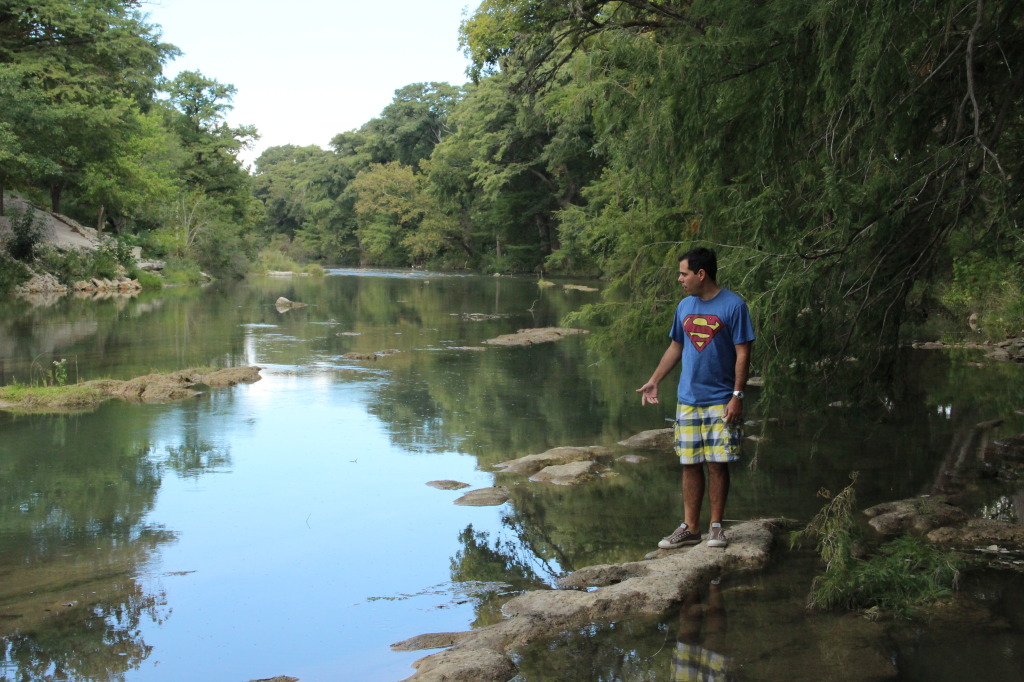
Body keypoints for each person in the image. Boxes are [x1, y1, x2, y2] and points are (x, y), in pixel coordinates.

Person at [637, 247, 754, 549]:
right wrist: (654, 381)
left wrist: (737, 395)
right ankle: (690, 528)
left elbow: (743, 354)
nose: (680, 279)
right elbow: (676, 346)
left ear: (701, 274)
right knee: (690, 463)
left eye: (684, 273)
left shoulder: (734, 306)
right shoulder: (685, 306)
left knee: (717, 463)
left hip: (721, 399)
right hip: (688, 399)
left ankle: (716, 526)